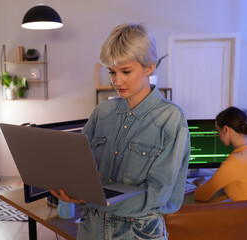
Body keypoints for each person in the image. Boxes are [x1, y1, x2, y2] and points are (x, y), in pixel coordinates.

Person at [51, 23, 191, 240]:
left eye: (126, 71)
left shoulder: (170, 118)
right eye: (112, 72)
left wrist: (92, 200)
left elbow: (158, 194)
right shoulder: (102, 112)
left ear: (149, 67)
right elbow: (77, 166)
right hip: (92, 228)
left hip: (138, 232)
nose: (117, 81)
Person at [194, 106, 247, 202]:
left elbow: (200, 196)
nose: (218, 135)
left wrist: (202, 182)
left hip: (244, 216)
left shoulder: (235, 161)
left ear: (226, 130)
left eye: (218, 131)